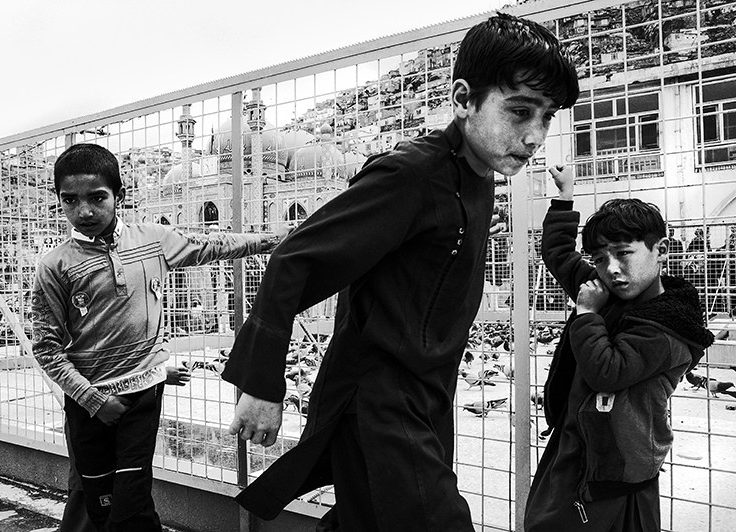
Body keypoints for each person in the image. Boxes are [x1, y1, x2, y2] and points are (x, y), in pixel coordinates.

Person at [221, 12, 579, 531]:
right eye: (520, 111)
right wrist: (262, 383)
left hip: (429, 394)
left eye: (546, 117)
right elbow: (296, 259)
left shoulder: (477, 177)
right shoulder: (412, 173)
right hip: (379, 399)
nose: (533, 136)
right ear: (462, 99)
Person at [31, 143, 283, 531]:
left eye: (97, 198)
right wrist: (94, 400)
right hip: (91, 405)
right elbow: (47, 349)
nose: (84, 212)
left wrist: (271, 241)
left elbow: (209, 245)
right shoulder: (55, 266)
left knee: (130, 497)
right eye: (70, 200)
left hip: (142, 398)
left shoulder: (151, 240)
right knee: (97, 499)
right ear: (59, 201)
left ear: (120, 196)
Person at [524, 166, 715, 532]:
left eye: (624, 253)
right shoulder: (607, 290)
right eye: (599, 259)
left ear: (661, 251)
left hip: (618, 470)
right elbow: (558, 254)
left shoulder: (669, 329)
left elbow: (607, 371)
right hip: (576, 445)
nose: (611, 269)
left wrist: (585, 315)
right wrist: (564, 198)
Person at [59, 365, 191, 532]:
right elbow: (55, 360)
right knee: (91, 489)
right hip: (89, 415)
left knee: (124, 489)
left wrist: (159, 374)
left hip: (120, 409)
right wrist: (96, 401)